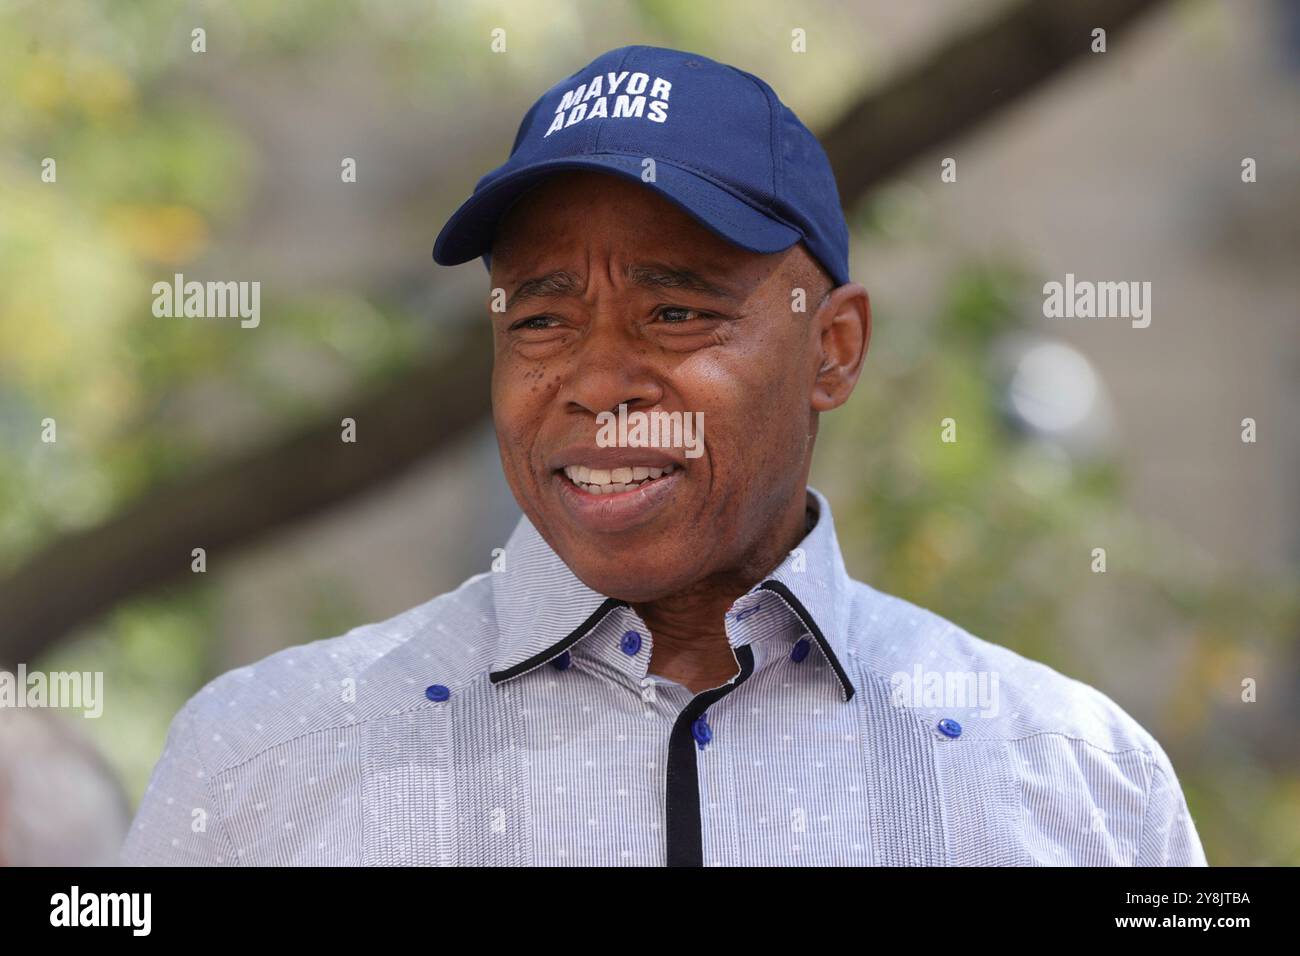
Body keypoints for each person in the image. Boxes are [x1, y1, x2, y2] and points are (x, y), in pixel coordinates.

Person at [122, 45, 1206, 866]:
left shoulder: (1073, 780)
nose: (597, 380)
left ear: (833, 350)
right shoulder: (260, 763)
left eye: (677, 310)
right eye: (541, 321)